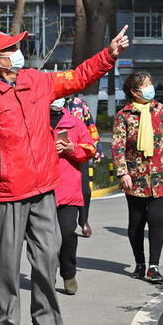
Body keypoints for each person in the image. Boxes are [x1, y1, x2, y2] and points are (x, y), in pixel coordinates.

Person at [0, 25, 130, 325]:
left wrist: (108, 55)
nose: (18, 54)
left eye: (17, 48)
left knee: (47, 255)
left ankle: (45, 324)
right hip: (8, 191)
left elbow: (78, 78)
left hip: (43, 188)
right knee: (8, 264)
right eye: (11, 50)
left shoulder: (37, 82)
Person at [112, 70, 163, 284]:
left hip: (161, 175)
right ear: (133, 91)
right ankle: (139, 262)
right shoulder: (124, 116)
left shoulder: (162, 111)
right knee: (136, 223)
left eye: (150, 83)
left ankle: (153, 266)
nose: (150, 88)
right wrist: (123, 172)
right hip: (135, 178)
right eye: (145, 85)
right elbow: (118, 146)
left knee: (156, 220)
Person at [50, 97, 97, 295]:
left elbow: (90, 149)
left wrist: (72, 149)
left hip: (67, 189)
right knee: (44, 239)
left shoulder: (75, 123)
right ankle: (46, 275)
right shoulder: (34, 120)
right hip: (41, 189)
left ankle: (68, 273)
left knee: (67, 234)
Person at [62, 95, 102, 237]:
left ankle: (84, 220)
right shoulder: (46, 102)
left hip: (79, 151)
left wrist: (97, 149)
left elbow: (90, 125)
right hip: (58, 155)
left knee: (84, 189)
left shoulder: (79, 104)